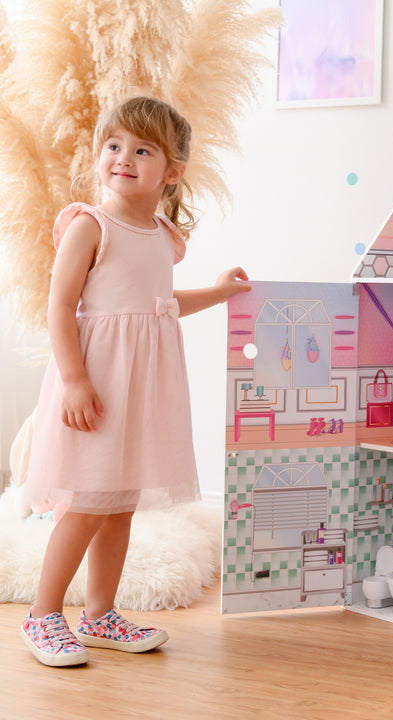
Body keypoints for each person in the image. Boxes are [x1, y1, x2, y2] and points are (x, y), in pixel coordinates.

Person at [20, 96, 250, 667]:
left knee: (119, 504)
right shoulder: (88, 225)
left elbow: (160, 306)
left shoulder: (159, 233)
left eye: (142, 150)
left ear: (171, 172)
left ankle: (99, 614)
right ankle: (43, 614)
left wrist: (219, 293)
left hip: (137, 390)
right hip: (95, 384)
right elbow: (60, 304)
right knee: (89, 503)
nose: (123, 158)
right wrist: (74, 379)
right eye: (114, 146)